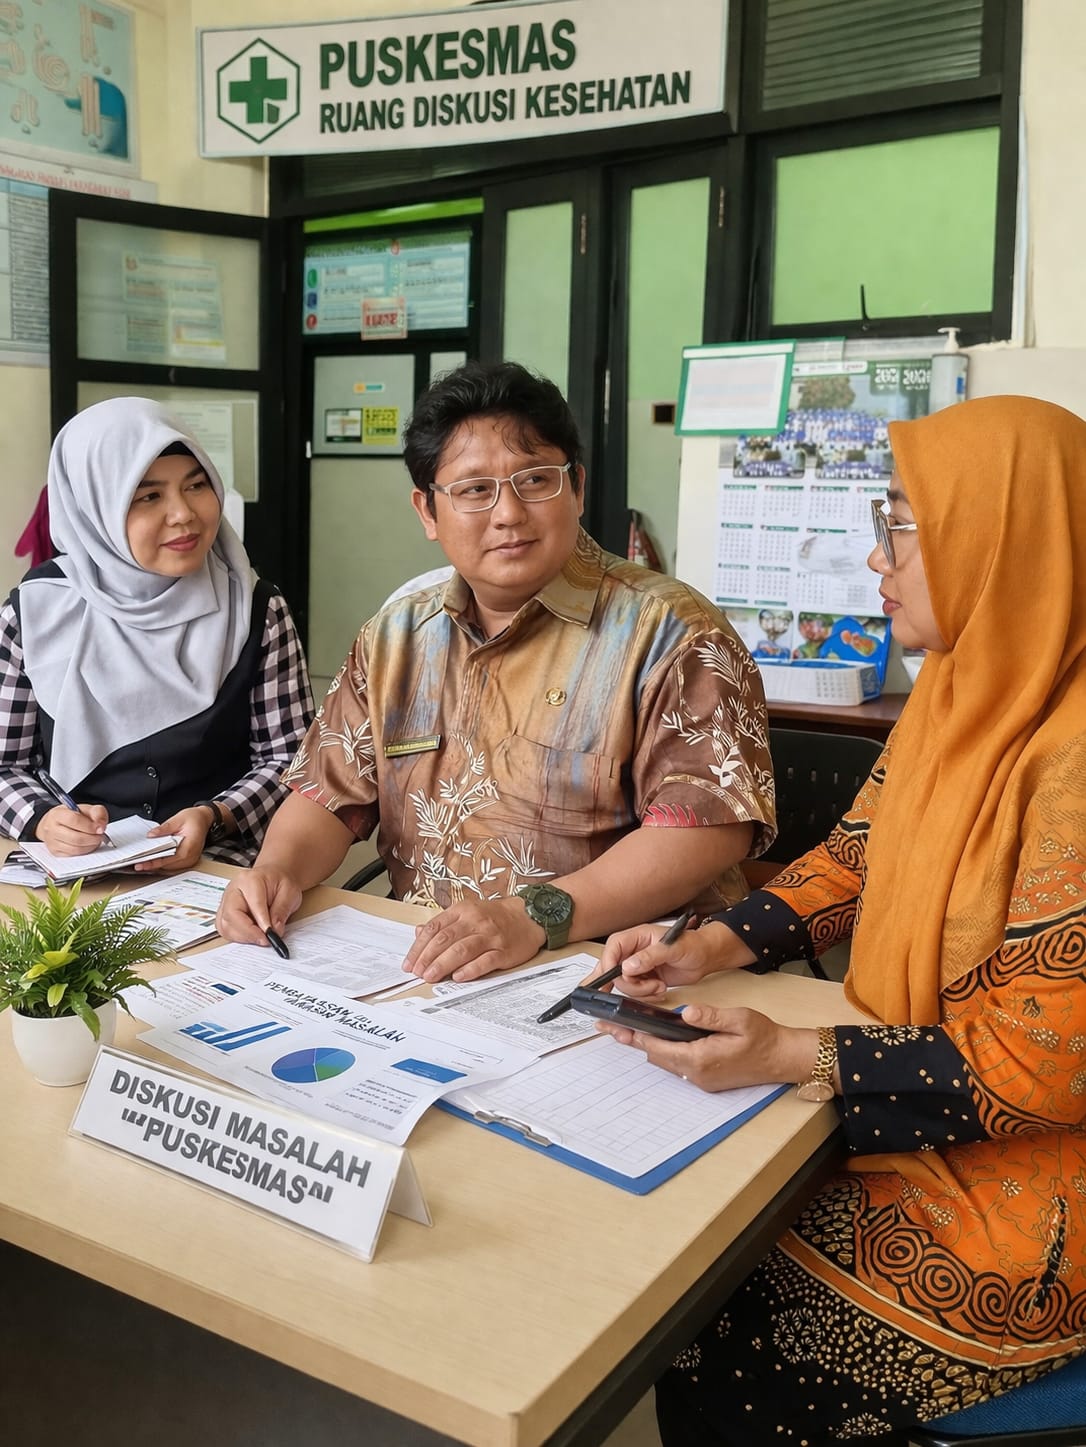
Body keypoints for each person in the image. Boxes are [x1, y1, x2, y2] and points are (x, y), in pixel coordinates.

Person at [593, 395, 1086, 1443]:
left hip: (1039, 1194)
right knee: (688, 1256)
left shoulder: (1077, 756)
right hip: (918, 1107)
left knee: (724, 1315)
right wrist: (709, 943)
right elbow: (856, 856)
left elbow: (1048, 1065)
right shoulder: (958, 687)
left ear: (1001, 537)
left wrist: (796, 1053)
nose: (876, 559)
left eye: (902, 526)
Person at [218, 360, 774, 980]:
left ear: (577, 487)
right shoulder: (396, 637)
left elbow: (707, 830)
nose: (508, 513)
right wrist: (277, 870)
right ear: (428, 511)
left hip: (621, 975)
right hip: (430, 969)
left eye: (534, 480)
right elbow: (328, 794)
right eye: (474, 490)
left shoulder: (673, 631)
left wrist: (533, 916)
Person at [0, 397, 314, 871]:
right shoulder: (35, 612)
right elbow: (6, 765)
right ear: (94, 509)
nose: (183, 514)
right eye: (148, 497)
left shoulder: (256, 609)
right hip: (72, 874)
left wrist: (215, 815)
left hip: (214, 868)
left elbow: (291, 760)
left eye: (196, 485)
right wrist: (43, 819)